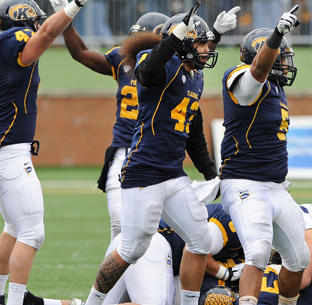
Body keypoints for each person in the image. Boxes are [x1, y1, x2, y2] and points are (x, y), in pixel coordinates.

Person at [61, 5, 238, 239]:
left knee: (160, 232)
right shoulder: (134, 61)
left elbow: (193, 55)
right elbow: (83, 54)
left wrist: (214, 33)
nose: (139, 42)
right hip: (131, 150)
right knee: (123, 227)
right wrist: (66, 17)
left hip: (161, 155)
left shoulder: (179, 68)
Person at [82, 3, 218, 305]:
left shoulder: (194, 75)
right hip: (144, 172)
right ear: (181, 41)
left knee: (201, 239)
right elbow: (146, 71)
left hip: (172, 174)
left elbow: (193, 129)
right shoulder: (160, 65)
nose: (207, 49)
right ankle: (93, 302)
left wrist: (209, 171)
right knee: (131, 247)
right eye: (200, 42)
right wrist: (174, 39)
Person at [0, 0, 85, 304]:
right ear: (23, 21)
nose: (38, 27)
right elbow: (44, 36)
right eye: (35, 22)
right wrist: (75, 6)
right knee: (32, 233)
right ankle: (16, 300)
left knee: (13, 227)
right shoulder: (14, 42)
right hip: (9, 154)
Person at [217, 6, 310, 305]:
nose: (285, 63)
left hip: (275, 185)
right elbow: (257, 72)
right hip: (243, 182)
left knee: (299, 258)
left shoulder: (277, 90)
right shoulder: (242, 78)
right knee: (257, 251)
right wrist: (277, 34)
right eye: (281, 56)